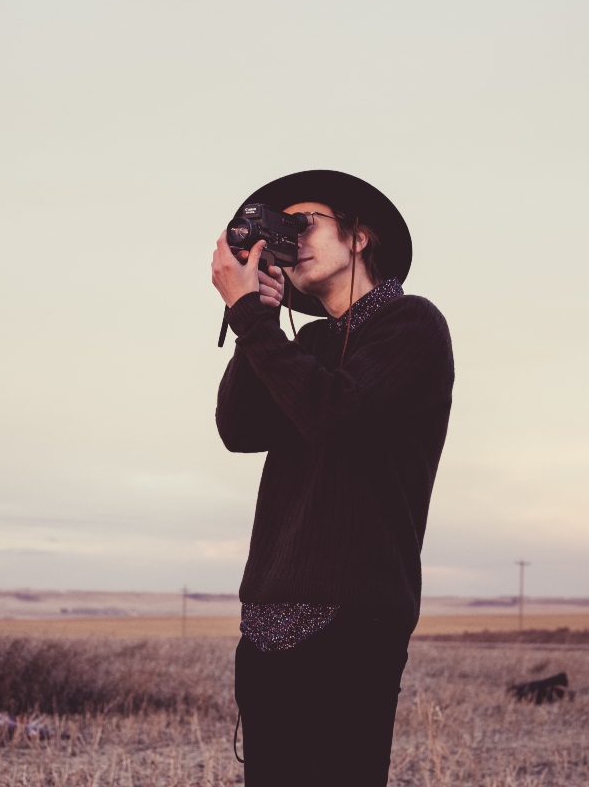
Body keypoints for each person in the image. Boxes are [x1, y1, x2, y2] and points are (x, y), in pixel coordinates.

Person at [210, 170, 454, 786]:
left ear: (360, 236)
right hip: (266, 616)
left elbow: (335, 413)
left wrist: (253, 320)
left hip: (354, 614)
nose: (292, 239)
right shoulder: (306, 343)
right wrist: (255, 313)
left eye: (304, 223)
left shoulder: (412, 325)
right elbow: (238, 429)